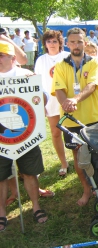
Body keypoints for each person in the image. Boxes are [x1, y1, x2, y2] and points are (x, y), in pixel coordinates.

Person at [52, 27, 98, 206]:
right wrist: (65, 104)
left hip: (94, 116)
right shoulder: (60, 66)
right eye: (73, 42)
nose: (76, 45)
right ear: (67, 44)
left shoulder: (94, 62)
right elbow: (58, 89)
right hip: (71, 120)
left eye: (79, 41)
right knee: (77, 156)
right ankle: (86, 189)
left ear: (85, 42)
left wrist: (74, 99)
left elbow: (92, 86)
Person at [0, 41, 48, 232]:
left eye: (1, 55)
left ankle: (36, 206)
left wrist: (36, 88)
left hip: (26, 135)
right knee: (1, 176)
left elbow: (43, 100)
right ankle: (2, 212)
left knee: (29, 172)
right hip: (2, 139)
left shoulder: (26, 75)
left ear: (13, 58)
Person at [34, 30, 69, 176]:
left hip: (68, 99)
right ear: (45, 44)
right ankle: (63, 163)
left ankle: (80, 161)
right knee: (55, 133)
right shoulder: (41, 60)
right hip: (51, 101)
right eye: (49, 41)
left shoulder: (67, 56)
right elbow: (37, 83)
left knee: (73, 133)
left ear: (60, 42)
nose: (52, 44)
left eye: (55, 41)